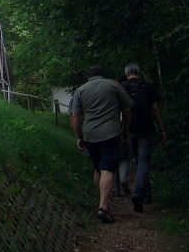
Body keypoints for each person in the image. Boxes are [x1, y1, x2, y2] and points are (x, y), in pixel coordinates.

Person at [71, 65, 133, 223]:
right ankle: (103, 207)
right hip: (110, 133)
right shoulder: (114, 86)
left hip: (90, 135)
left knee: (97, 168)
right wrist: (125, 130)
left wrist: (79, 136)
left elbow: (75, 117)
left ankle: (101, 201)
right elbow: (126, 110)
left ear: (88, 77)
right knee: (107, 169)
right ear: (103, 75)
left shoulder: (81, 90)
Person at [122, 63, 167, 212]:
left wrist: (122, 130)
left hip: (130, 129)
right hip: (147, 128)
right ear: (139, 73)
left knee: (137, 161)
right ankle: (140, 193)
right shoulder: (147, 86)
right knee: (144, 161)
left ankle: (143, 194)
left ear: (126, 74)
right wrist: (161, 129)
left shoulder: (123, 87)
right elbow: (154, 108)